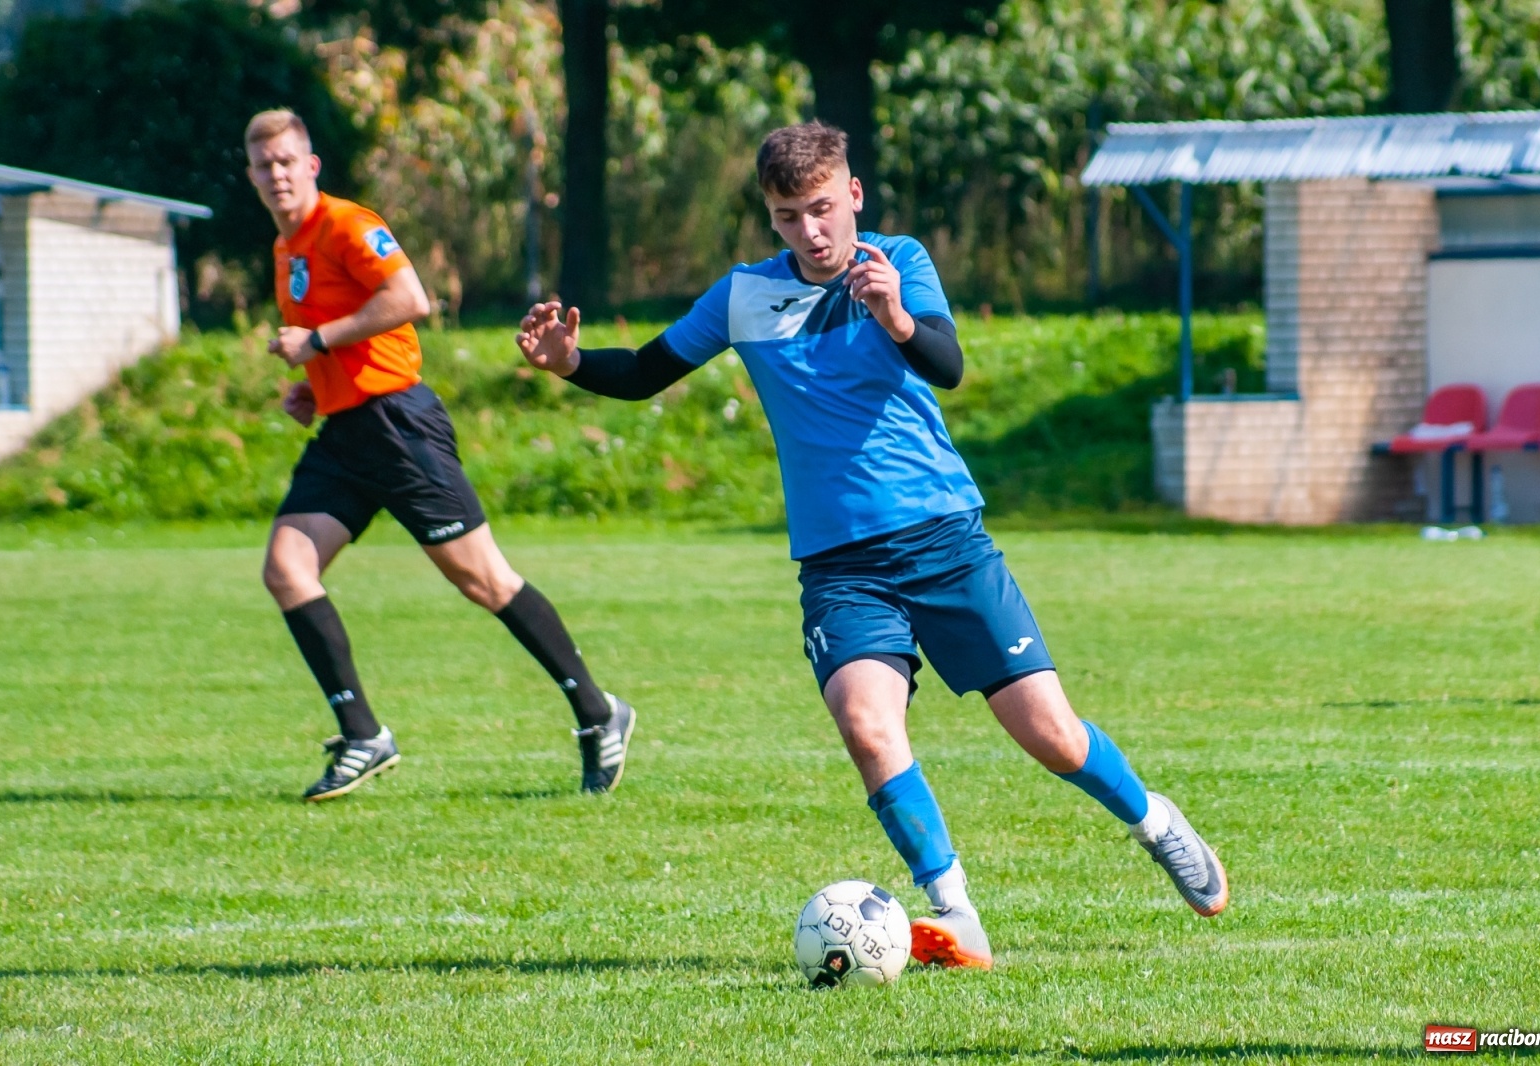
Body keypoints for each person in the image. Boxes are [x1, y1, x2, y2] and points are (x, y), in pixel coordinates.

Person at [516, 121, 1226, 969]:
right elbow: (641, 371)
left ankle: (1156, 821)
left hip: (944, 542)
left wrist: (892, 314)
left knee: (1051, 736)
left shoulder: (902, 263)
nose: (809, 232)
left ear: (852, 196)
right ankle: (955, 912)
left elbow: (948, 364)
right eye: (787, 216)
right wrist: (569, 363)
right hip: (842, 567)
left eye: (820, 209)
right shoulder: (744, 296)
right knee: (865, 723)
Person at [246, 108, 634, 801]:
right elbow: (336, 338)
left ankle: (599, 714)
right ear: (251, 174)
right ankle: (363, 735)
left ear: (311, 166)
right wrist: (314, 385)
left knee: (484, 581)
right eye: (262, 164)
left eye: (286, 162)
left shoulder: (345, 224)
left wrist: (319, 344)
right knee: (287, 566)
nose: (276, 175)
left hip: (398, 424)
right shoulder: (287, 250)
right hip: (346, 433)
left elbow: (409, 297)